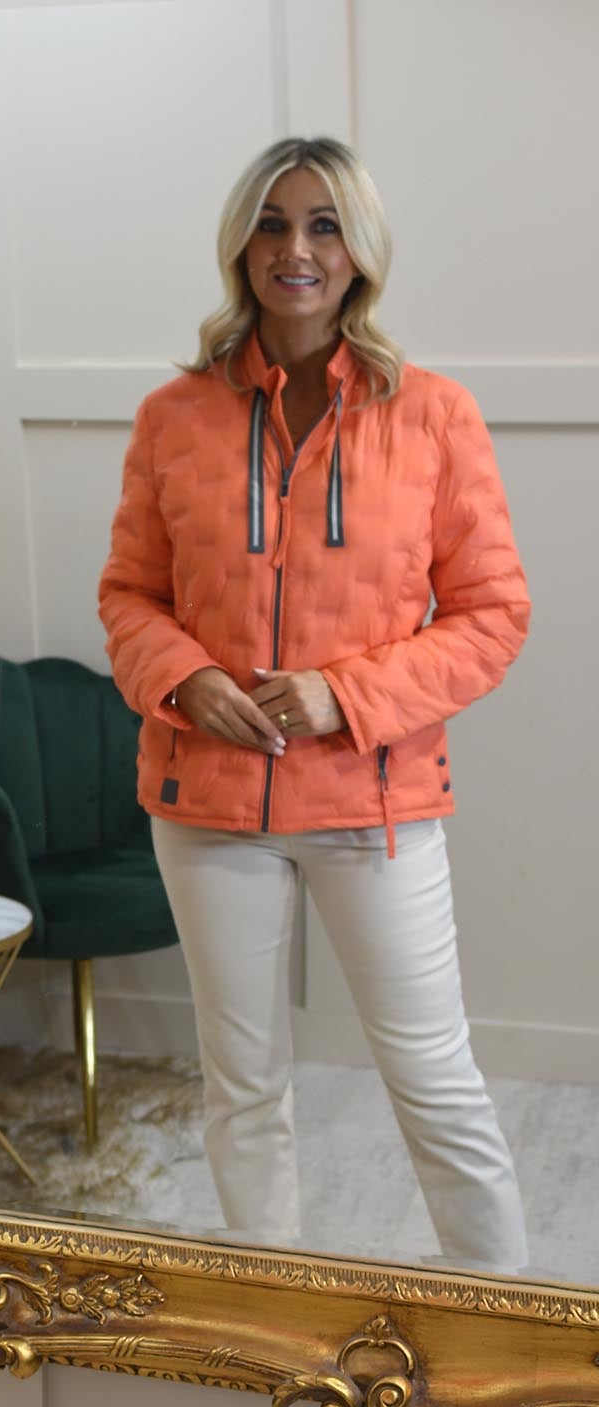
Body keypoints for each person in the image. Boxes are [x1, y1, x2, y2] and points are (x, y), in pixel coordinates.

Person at [99, 136, 530, 1272]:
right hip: (209, 804)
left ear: (360, 252)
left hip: (374, 805)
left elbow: (492, 615)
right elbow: (131, 595)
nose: (297, 248)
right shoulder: (173, 416)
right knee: (241, 1082)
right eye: (275, 223)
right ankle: (266, 1315)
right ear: (242, 244)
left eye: (325, 224)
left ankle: (505, 1316)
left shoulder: (432, 416)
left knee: (432, 1075)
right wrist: (187, 678)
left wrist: (345, 695)